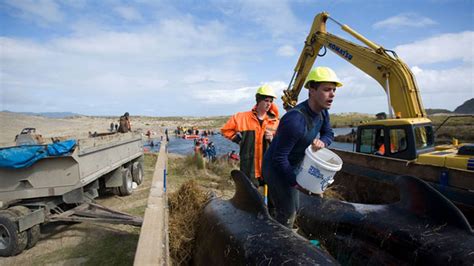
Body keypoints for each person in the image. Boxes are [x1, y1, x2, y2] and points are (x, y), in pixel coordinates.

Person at [262, 67, 342, 228]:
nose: (332, 94)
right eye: (326, 89)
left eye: (333, 89)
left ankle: (274, 224)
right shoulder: (295, 120)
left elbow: (329, 133)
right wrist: (295, 183)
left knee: (294, 207)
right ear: (311, 90)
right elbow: (279, 158)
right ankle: (277, 244)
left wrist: (323, 142)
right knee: (288, 212)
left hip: (294, 163)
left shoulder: (323, 112)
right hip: (276, 168)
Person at [221, 84, 280, 187]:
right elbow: (226, 130)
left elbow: (282, 142)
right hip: (249, 168)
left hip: (268, 169)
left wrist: (273, 138)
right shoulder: (242, 117)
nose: (269, 104)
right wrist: (239, 140)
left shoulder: (275, 121)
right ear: (258, 100)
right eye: (266, 100)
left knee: (270, 200)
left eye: (271, 101)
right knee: (250, 198)